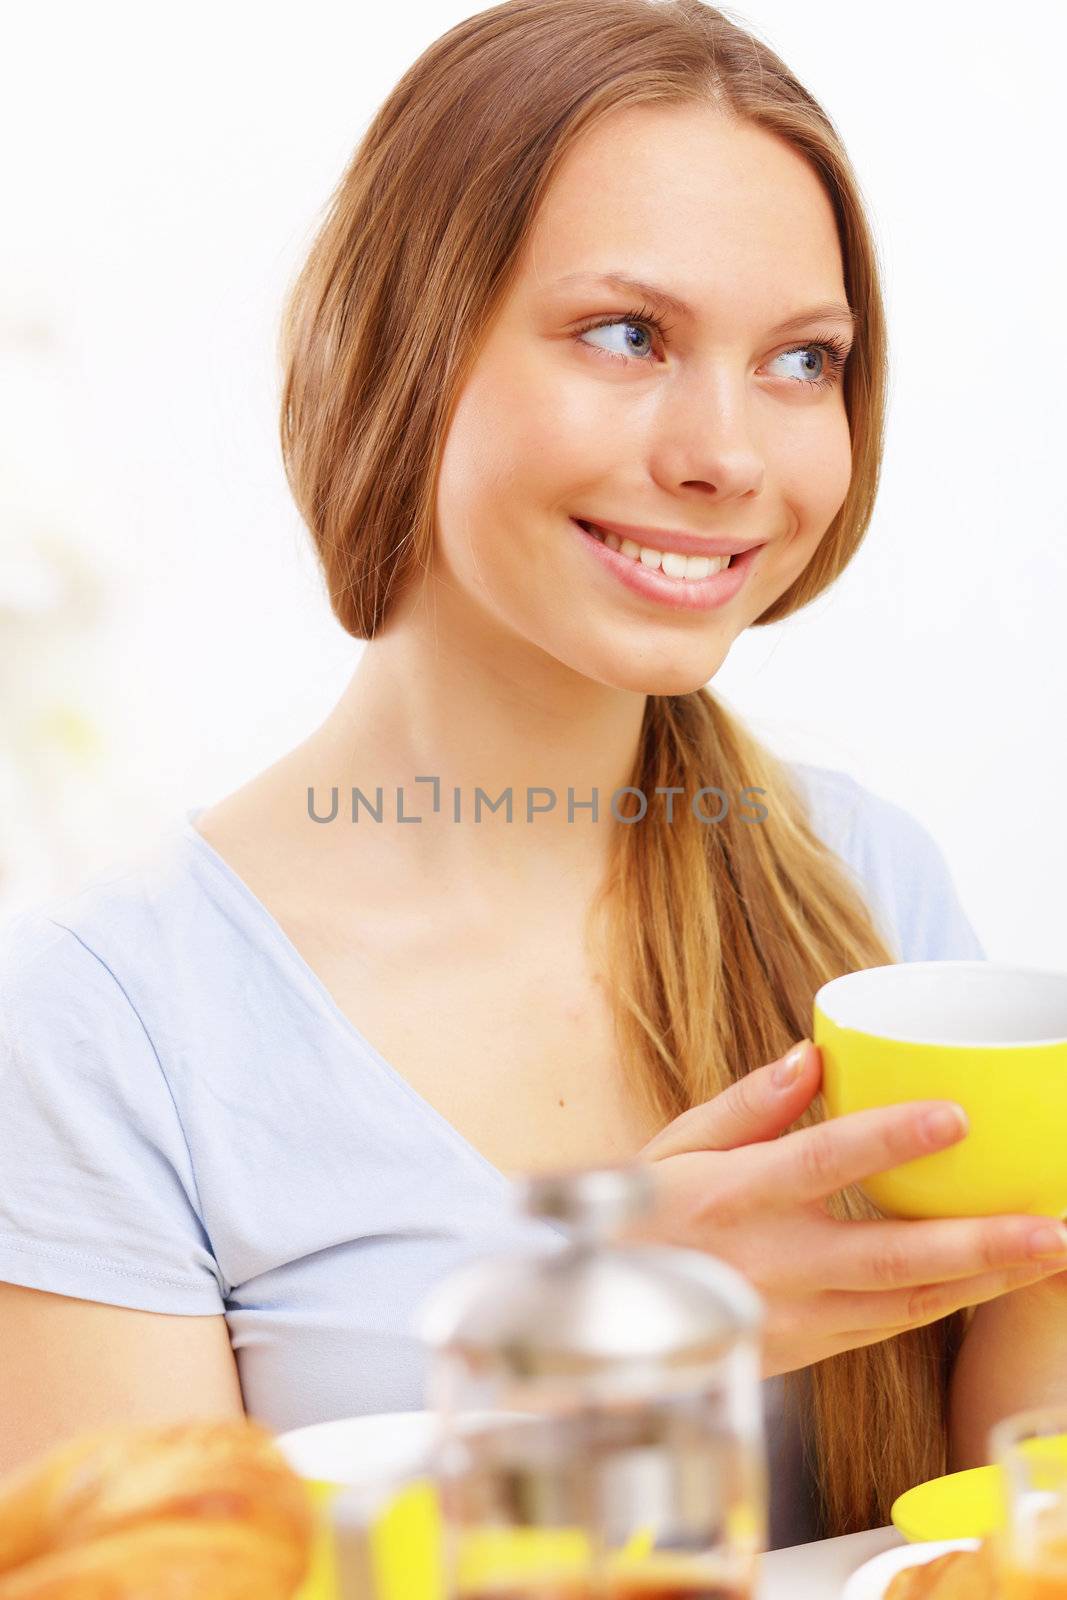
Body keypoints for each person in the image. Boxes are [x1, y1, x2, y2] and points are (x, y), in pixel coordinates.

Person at [1, 0, 1063, 1552]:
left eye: (801, 360)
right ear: (402, 345)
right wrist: (598, 1377)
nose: (729, 455)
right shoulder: (107, 1021)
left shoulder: (863, 884)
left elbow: (1011, 1527)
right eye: (626, 334)